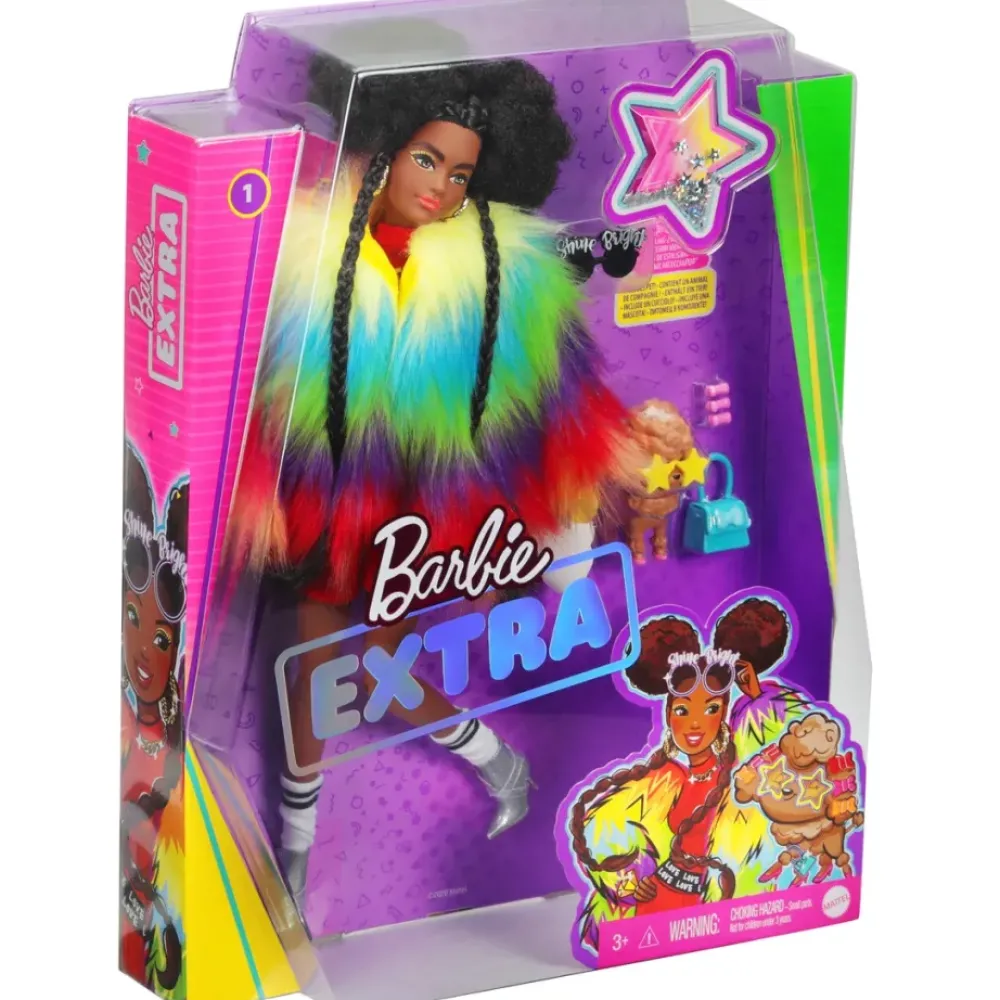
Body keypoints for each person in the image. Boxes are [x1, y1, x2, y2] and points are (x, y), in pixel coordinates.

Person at [225, 57, 636, 907]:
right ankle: (298, 848)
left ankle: (494, 759)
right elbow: (249, 390)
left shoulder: (500, 272)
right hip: (324, 496)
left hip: (422, 508)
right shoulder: (304, 255)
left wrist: (563, 514)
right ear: (383, 148)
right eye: (426, 159)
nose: (441, 186)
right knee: (309, 667)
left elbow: (564, 400)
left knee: (373, 660)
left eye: (459, 174)